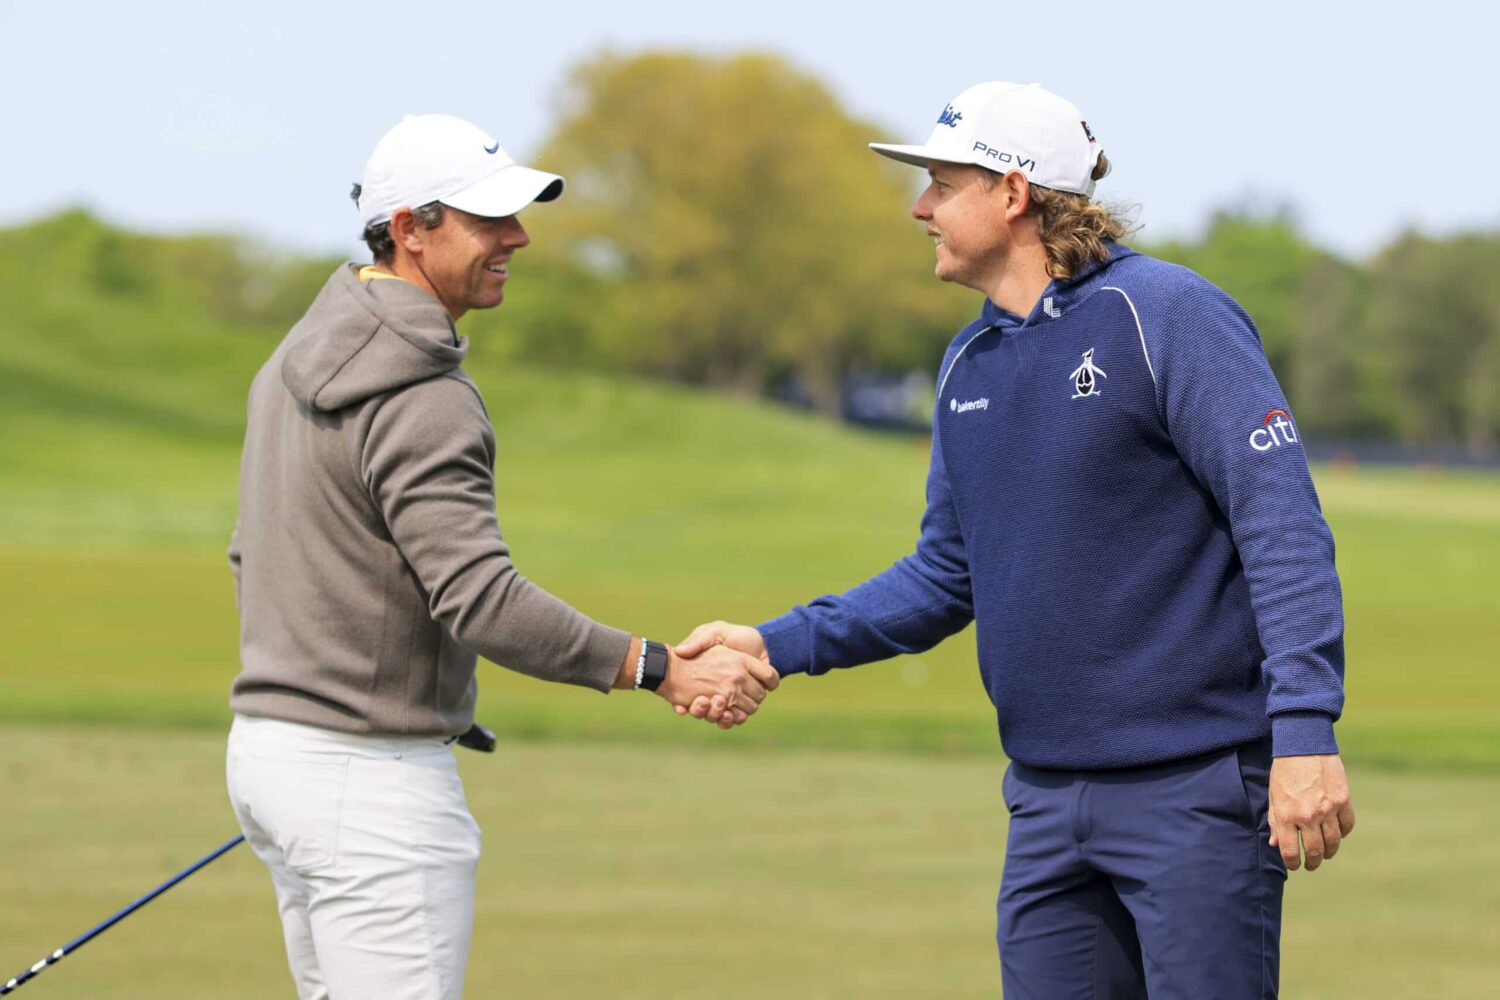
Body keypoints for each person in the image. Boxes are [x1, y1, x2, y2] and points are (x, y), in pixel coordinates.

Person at [677, 82, 1355, 998]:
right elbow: (944, 576)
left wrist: (1305, 729)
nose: (920, 208)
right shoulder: (969, 361)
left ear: (1012, 194)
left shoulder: (1166, 316)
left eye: (941, 184)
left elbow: (1284, 530)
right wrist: (775, 642)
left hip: (1194, 793)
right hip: (1043, 803)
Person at [224, 113, 776, 1000]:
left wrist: (381, 697)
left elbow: (255, 557)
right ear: (409, 229)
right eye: (487, 220)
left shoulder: (291, 358)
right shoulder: (425, 395)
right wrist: (657, 668)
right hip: (372, 787)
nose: (516, 237)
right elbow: (479, 600)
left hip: (274, 759)